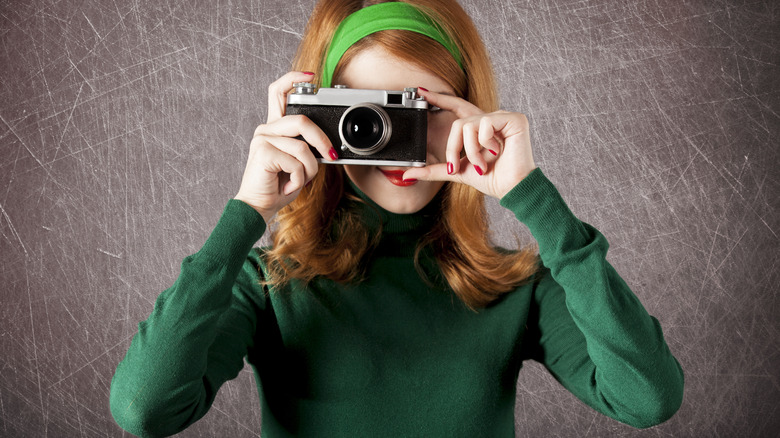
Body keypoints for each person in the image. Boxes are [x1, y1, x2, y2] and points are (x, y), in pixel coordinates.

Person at [109, 0, 684, 436]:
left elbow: (647, 398)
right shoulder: (267, 283)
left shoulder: (517, 287)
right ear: (314, 118)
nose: (392, 144)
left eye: (422, 110)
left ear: (471, 109)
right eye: (361, 118)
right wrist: (247, 213)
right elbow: (144, 409)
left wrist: (534, 198)